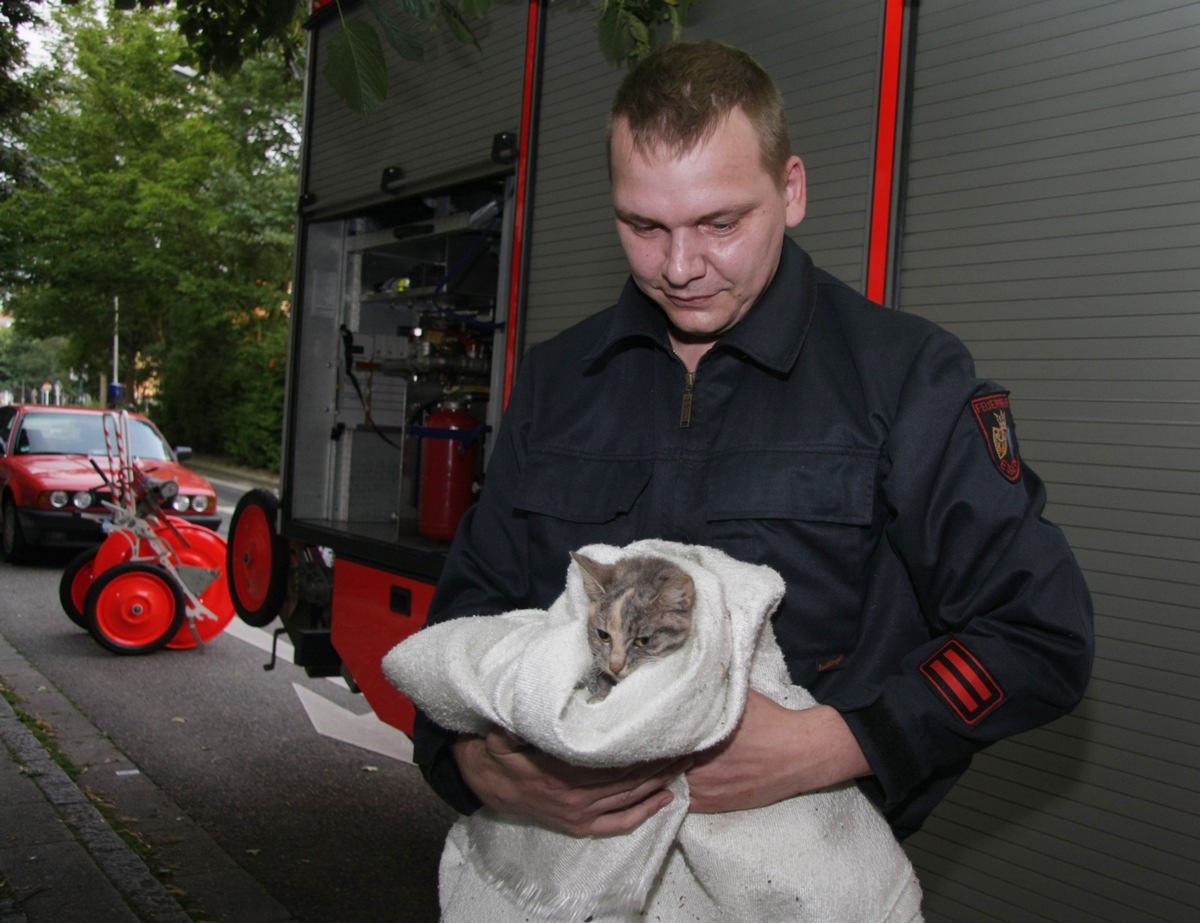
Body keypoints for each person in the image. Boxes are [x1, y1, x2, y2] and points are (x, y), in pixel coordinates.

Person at [412, 40, 1094, 842]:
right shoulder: (560, 380)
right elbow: (466, 619)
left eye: (720, 222)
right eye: (643, 226)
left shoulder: (907, 379)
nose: (680, 266)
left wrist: (833, 744)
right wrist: (472, 760)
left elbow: (1038, 633)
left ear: (792, 189)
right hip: (567, 880)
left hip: (800, 887)